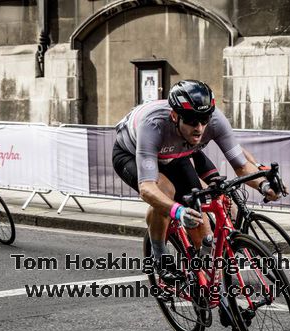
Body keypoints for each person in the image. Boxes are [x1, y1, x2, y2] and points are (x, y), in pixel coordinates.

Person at [112, 80, 280, 283]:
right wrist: (177, 211)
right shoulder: (153, 125)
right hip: (130, 154)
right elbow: (147, 188)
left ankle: (202, 279)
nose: (200, 128)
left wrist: (265, 185)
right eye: (192, 121)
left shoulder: (215, 120)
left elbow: (242, 165)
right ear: (175, 116)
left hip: (175, 154)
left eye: (204, 119)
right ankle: (159, 257)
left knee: (202, 225)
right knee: (164, 192)